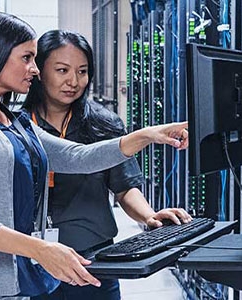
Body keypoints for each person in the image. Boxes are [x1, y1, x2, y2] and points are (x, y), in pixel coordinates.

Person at [0, 13, 188, 299]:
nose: (35, 69)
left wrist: (148, 135)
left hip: (16, 282)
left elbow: (79, 157)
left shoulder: (14, 121)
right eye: (27, 58)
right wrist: (39, 249)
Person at [22, 30, 192, 300]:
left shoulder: (103, 124)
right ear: (39, 70)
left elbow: (125, 187)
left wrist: (149, 216)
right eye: (62, 70)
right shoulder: (17, 127)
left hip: (95, 262)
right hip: (33, 261)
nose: (73, 81)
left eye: (82, 71)